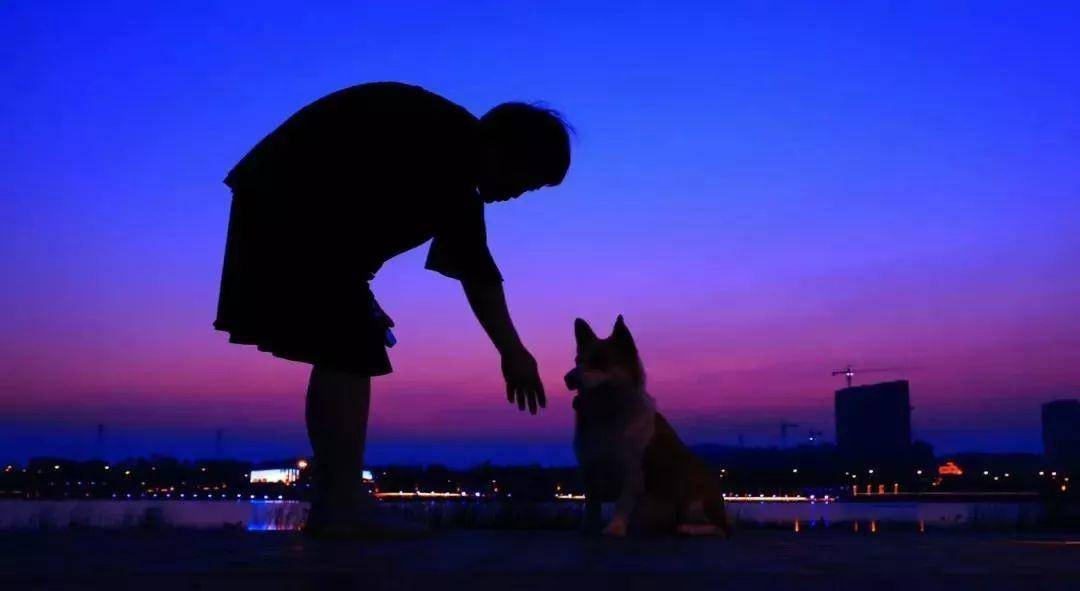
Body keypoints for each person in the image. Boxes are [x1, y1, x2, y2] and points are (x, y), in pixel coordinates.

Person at [214, 82, 571, 537]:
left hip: (287, 202)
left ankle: (334, 501)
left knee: (347, 340)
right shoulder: (448, 152)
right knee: (349, 343)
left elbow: (454, 259)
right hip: (286, 200)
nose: (520, 194)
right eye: (528, 180)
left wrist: (355, 290)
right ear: (509, 152)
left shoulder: (452, 161)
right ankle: (341, 504)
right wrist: (513, 351)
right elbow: (475, 272)